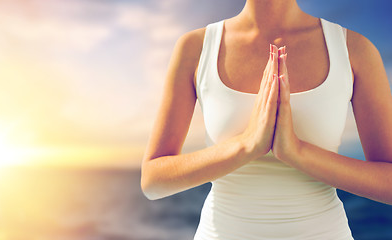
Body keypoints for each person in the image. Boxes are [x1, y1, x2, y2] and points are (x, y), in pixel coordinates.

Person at [140, 0, 392, 239]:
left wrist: (298, 152)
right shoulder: (197, 47)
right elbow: (153, 180)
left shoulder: (353, 49)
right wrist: (246, 145)